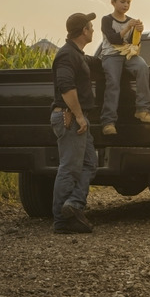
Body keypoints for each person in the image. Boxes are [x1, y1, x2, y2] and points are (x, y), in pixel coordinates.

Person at [50, 12, 100, 234]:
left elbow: (92, 62)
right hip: (69, 117)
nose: (93, 29)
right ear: (84, 31)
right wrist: (79, 115)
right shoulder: (66, 55)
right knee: (69, 168)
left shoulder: (77, 54)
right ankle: (61, 221)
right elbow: (65, 84)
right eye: (91, 26)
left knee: (89, 163)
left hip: (77, 118)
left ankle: (73, 205)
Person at [99, 0, 150, 136]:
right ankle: (108, 122)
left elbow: (133, 42)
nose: (126, 5)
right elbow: (114, 39)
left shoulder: (130, 21)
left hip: (128, 54)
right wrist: (127, 27)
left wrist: (138, 31)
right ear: (113, 2)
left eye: (128, 2)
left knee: (143, 67)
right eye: (122, 1)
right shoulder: (107, 20)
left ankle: (143, 110)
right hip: (111, 55)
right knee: (113, 83)